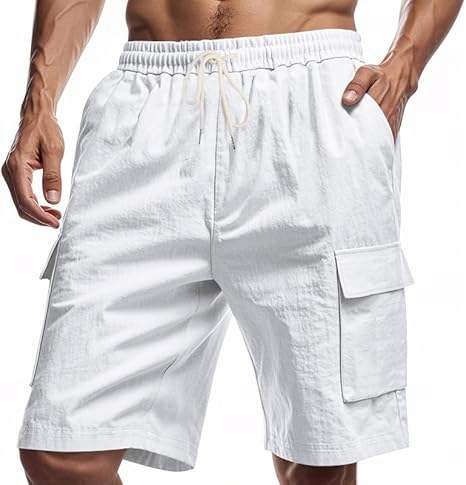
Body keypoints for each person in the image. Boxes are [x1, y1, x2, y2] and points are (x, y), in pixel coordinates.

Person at [4, 1, 462, 484]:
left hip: (311, 104)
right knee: (60, 451)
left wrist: (406, 64)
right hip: (146, 109)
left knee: (320, 456)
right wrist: (39, 103)